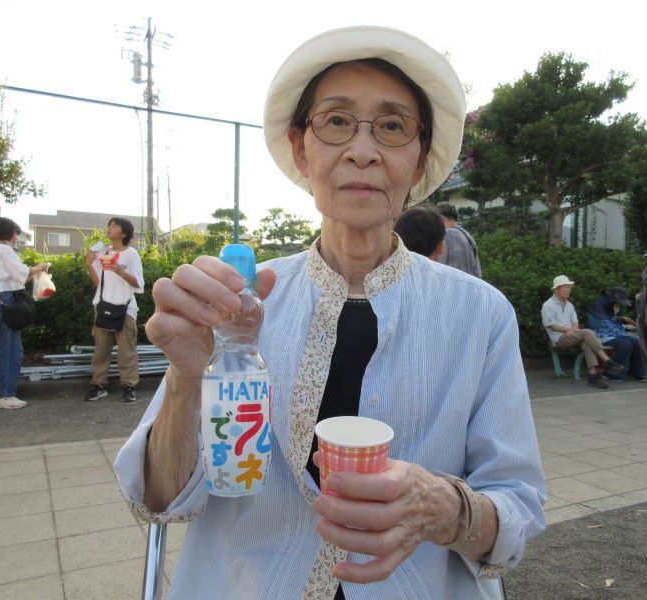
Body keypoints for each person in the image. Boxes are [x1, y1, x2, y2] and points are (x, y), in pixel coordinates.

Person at [114, 26, 546, 599]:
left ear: (419, 162)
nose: (362, 150)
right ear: (301, 148)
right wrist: (184, 377)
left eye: (392, 127)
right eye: (337, 121)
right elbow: (161, 501)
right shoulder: (237, 300)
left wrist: (444, 507)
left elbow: (516, 507)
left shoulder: (480, 314)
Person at [0, 217, 50, 409]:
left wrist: (32, 272)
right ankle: (4, 395)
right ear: (10, 234)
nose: (17, 238)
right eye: (16, 233)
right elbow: (22, 273)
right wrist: (41, 267)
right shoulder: (4, 249)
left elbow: (13, 277)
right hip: (4, 302)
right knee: (9, 350)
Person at [84, 217, 144, 403]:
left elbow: (139, 285)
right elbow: (98, 282)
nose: (110, 229)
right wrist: (88, 264)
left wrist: (120, 271)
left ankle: (129, 386)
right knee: (101, 350)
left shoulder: (131, 254)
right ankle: (98, 385)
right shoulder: (103, 252)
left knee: (127, 351)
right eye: (109, 225)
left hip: (125, 308)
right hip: (103, 306)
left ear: (124, 233)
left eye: (115, 226)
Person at [541, 275, 624, 389]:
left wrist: (573, 329)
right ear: (556, 289)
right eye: (565, 287)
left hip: (573, 335)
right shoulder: (548, 305)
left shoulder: (570, 305)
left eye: (569, 287)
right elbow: (552, 326)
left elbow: (575, 323)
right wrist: (569, 330)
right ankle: (607, 361)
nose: (568, 289)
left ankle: (592, 376)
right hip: (559, 339)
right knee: (586, 333)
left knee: (586, 343)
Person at [587, 286, 647, 382]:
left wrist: (621, 322)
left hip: (615, 335)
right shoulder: (598, 305)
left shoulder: (610, 304)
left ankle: (639, 373)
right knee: (626, 344)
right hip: (602, 336)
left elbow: (612, 321)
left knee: (637, 341)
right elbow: (603, 326)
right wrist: (623, 326)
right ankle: (612, 374)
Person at [434, 201, 482, 277]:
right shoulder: (468, 235)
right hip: (470, 285)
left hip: (451, 285)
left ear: (442, 218)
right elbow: (478, 272)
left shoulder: (446, 235)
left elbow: (438, 266)